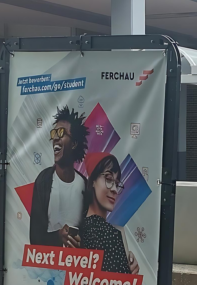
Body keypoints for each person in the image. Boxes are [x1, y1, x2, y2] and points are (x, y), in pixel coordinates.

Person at [30, 106, 88, 247]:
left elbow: (90, 233)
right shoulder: (43, 181)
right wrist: (58, 237)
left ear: (74, 143)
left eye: (61, 132)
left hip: (77, 264)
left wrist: (81, 242)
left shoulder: (85, 186)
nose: (55, 138)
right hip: (48, 265)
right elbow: (35, 237)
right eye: (54, 133)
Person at [79, 153, 140, 275]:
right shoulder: (108, 233)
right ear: (92, 181)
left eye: (117, 184)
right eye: (108, 179)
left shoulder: (79, 225)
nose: (114, 190)